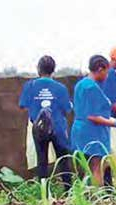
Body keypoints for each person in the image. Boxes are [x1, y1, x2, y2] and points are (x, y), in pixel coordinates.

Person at [72, 55, 116, 186]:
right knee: (97, 167)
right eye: (106, 72)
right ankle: (98, 199)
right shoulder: (91, 88)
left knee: (88, 168)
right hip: (92, 133)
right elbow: (92, 116)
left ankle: (87, 197)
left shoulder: (81, 84)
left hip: (81, 131)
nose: (107, 76)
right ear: (100, 69)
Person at [19, 55, 73, 188]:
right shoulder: (60, 88)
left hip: (39, 128)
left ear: (38, 69)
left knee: (41, 160)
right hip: (58, 128)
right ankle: (68, 192)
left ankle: (45, 193)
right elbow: (67, 108)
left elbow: (22, 105)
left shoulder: (30, 86)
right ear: (53, 70)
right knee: (64, 160)